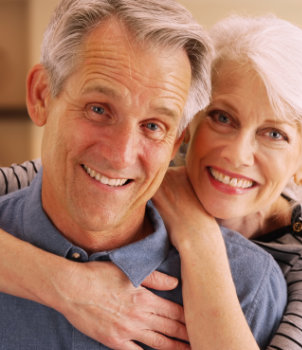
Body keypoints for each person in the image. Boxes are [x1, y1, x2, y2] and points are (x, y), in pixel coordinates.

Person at [0, 1, 287, 350]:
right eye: (98, 109)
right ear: (41, 96)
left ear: (176, 142)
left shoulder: (248, 287)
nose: (120, 156)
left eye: (153, 126)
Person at [153, 14, 302, 349]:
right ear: (193, 119)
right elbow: (34, 181)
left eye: (274, 134)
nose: (237, 154)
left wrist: (198, 235)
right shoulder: (146, 169)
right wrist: (68, 286)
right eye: (223, 117)